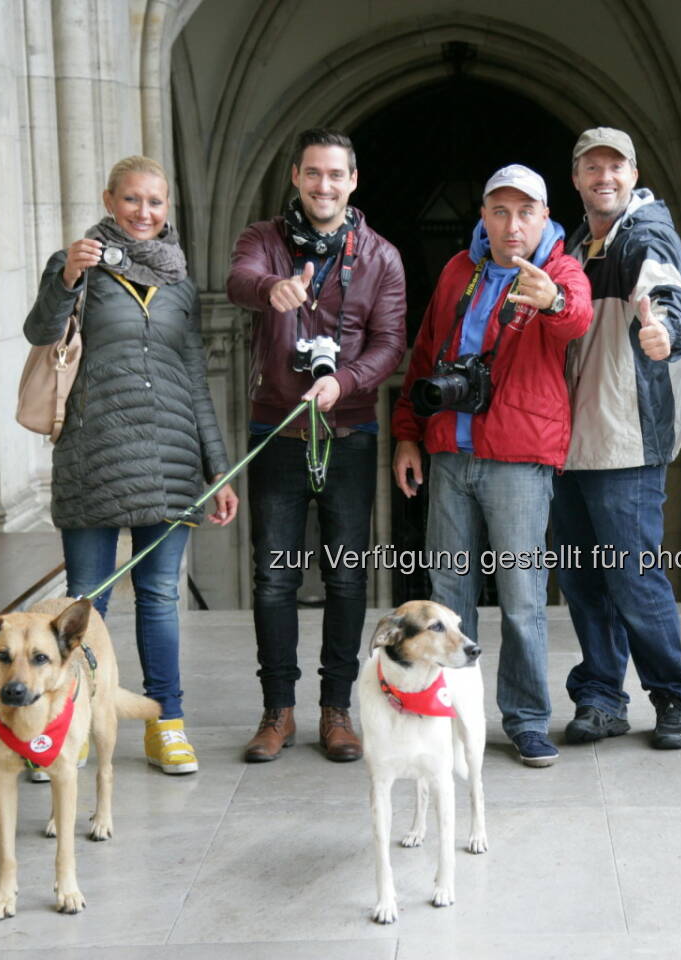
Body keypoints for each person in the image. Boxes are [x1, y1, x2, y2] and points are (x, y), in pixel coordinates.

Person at [24, 155, 238, 775]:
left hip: (170, 464)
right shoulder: (79, 266)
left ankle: (165, 723)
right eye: (132, 201)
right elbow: (40, 331)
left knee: (159, 599)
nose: (145, 213)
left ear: (167, 208)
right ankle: (72, 726)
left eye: (156, 202)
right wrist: (66, 276)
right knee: (84, 605)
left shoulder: (176, 281)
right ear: (109, 200)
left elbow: (193, 377)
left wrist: (218, 470)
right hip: (93, 456)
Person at [392, 164, 592, 768]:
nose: (512, 224)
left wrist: (551, 299)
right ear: (483, 216)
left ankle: (527, 720)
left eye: (525, 212)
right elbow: (425, 355)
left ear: (545, 217)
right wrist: (407, 435)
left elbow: (576, 316)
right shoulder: (460, 271)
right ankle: (446, 713)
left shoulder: (560, 270)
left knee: (522, 596)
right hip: (450, 454)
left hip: (517, 460)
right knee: (447, 597)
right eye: (500, 211)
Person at [227, 128, 407, 764]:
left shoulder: (381, 257)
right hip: (276, 429)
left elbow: (389, 343)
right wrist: (270, 290)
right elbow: (239, 279)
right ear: (297, 179)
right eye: (312, 174)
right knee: (273, 579)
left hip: (349, 431)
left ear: (353, 180)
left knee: (347, 576)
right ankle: (277, 712)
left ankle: (337, 711)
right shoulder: (264, 240)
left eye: (336, 175)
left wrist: (345, 380)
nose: (323, 186)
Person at [555, 127, 681, 750]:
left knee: (634, 579)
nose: (604, 177)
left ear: (633, 174)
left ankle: (672, 697)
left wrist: (665, 330)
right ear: (578, 178)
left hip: (624, 440)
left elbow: (666, 292)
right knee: (584, 578)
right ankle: (601, 697)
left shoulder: (646, 233)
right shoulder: (571, 243)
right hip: (566, 443)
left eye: (615, 166)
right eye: (592, 167)